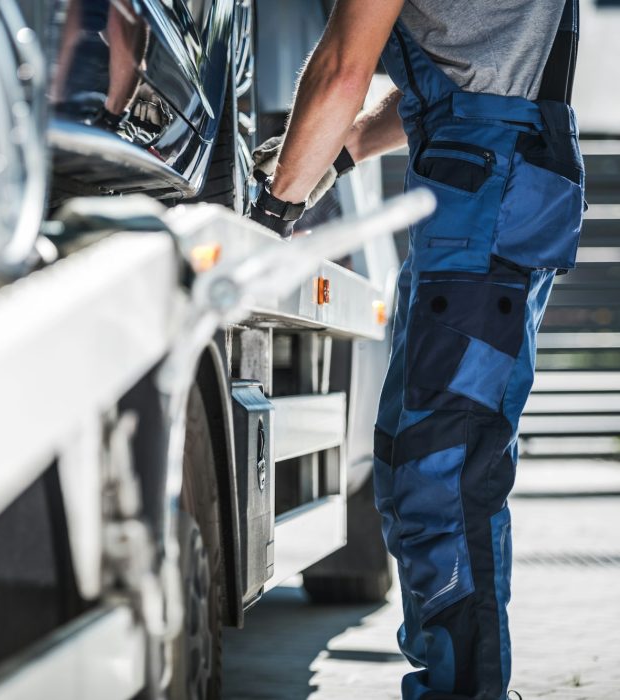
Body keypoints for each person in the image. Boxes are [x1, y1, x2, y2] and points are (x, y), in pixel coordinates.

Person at [249, 1, 583, 698]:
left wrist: (270, 215)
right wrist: (338, 155)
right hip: (493, 173)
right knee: (422, 460)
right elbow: (461, 77)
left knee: (444, 469)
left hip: (486, 188)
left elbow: (344, 68)